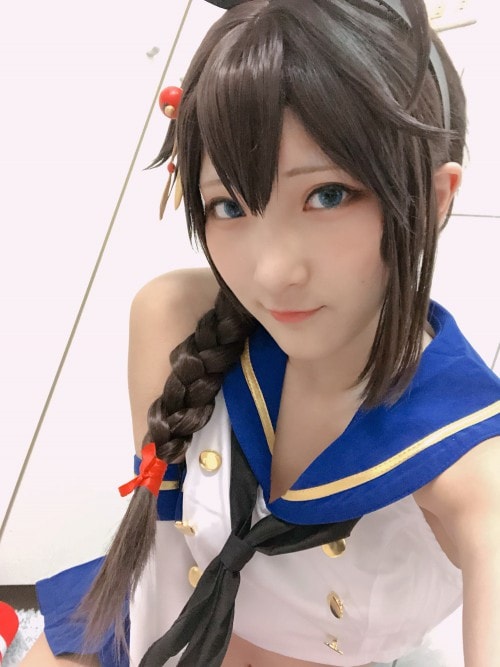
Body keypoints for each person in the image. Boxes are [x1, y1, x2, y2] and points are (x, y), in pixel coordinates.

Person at [21, 0, 500, 666]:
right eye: (228, 205)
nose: (272, 273)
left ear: (435, 198)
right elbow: (162, 558)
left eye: (327, 195)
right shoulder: (174, 315)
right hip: (140, 625)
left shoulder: (472, 464)